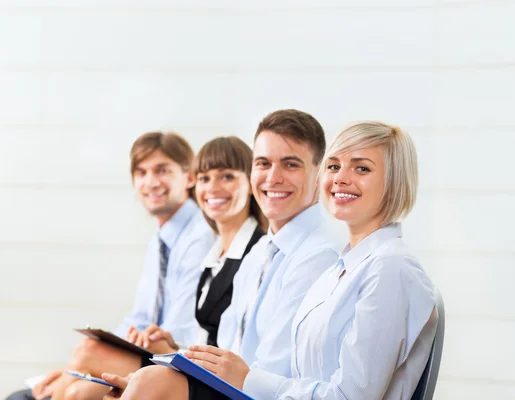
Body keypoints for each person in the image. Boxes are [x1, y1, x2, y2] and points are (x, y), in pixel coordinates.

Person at [116, 121, 439, 399]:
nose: (340, 177)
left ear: (396, 180)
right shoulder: (343, 267)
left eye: (362, 168)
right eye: (334, 165)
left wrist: (244, 378)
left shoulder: (391, 269)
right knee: (137, 384)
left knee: (150, 384)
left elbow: (349, 396)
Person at [101, 109, 342, 399]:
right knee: (132, 382)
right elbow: (227, 350)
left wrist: (165, 384)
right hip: (233, 386)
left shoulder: (319, 256)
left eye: (291, 165)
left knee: (148, 382)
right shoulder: (260, 254)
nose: (273, 177)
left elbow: (271, 372)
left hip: (268, 394)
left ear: (320, 174)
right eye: (263, 164)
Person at [6, 132, 215, 400]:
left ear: (189, 177)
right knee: (77, 383)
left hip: (178, 361)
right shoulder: (160, 239)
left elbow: (180, 331)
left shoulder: (200, 236)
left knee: (85, 355)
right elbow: (139, 318)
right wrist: (75, 368)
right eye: (141, 172)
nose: (150, 182)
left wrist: (88, 358)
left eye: (162, 170)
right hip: (152, 354)